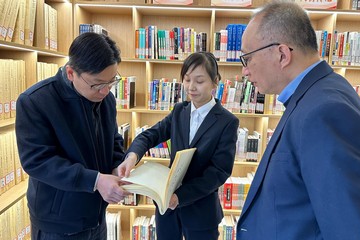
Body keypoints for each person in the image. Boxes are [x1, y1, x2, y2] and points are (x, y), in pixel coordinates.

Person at [236, 2, 360, 239]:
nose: (245, 71)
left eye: (247, 58)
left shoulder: (324, 110)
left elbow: (347, 228)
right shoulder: (314, 95)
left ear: (282, 54)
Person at [15, 32, 131, 239]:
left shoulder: (106, 100)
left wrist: (117, 166)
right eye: (97, 84)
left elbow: (114, 141)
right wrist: (95, 180)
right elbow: (37, 161)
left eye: (112, 81)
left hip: (96, 214)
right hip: (58, 222)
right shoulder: (35, 101)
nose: (105, 91)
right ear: (70, 73)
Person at [118, 52, 239, 240]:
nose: (191, 87)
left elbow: (219, 171)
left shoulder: (227, 122)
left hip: (201, 210)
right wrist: (132, 156)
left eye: (199, 81)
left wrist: (180, 196)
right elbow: (150, 135)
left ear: (215, 82)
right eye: (187, 79)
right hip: (167, 209)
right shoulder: (179, 111)